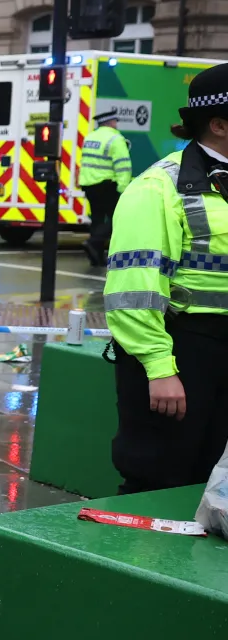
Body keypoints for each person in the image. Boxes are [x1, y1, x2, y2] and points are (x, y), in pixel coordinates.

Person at [105, 64, 228, 491]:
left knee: (214, 484)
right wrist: (159, 368)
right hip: (183, 348)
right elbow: (133, 291)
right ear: (218, 124)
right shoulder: (158, 187)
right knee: (159, 476)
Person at [81, 109, 134, 267]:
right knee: (117, 219)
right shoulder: (116, 139)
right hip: (107, 185)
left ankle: (96, 257)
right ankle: (94, 242)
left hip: (89, 184)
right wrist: (123, 188)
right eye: (115, 121)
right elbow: (123, 166)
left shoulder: (90, 137)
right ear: (111, 122)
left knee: (97, 219)